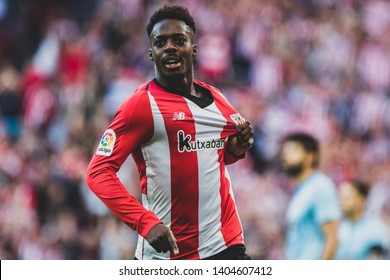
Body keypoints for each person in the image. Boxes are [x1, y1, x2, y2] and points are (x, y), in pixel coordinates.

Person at [85, 5, 254, 260]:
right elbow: (98, 173)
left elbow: (220, 154)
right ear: (151, 53)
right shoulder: (140, 105)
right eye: (160, 42)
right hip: (167, 256)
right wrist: (145, 222)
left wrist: (236, 150)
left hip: (225, 244)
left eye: (179, 40)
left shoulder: (216, 98)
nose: (170, 47)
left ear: (194, 48)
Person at [280, 133, 341, 259]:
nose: (286, 156)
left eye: (293, 150)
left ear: (310, 156)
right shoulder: (300, 190)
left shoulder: (320, 187)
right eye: (285, 152)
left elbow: (332, 239)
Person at [336, 179, 390, 260]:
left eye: (347, 198)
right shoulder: (338, 228)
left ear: (362, 199)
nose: (343, 202)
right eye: (341, 198)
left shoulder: (376, 227)